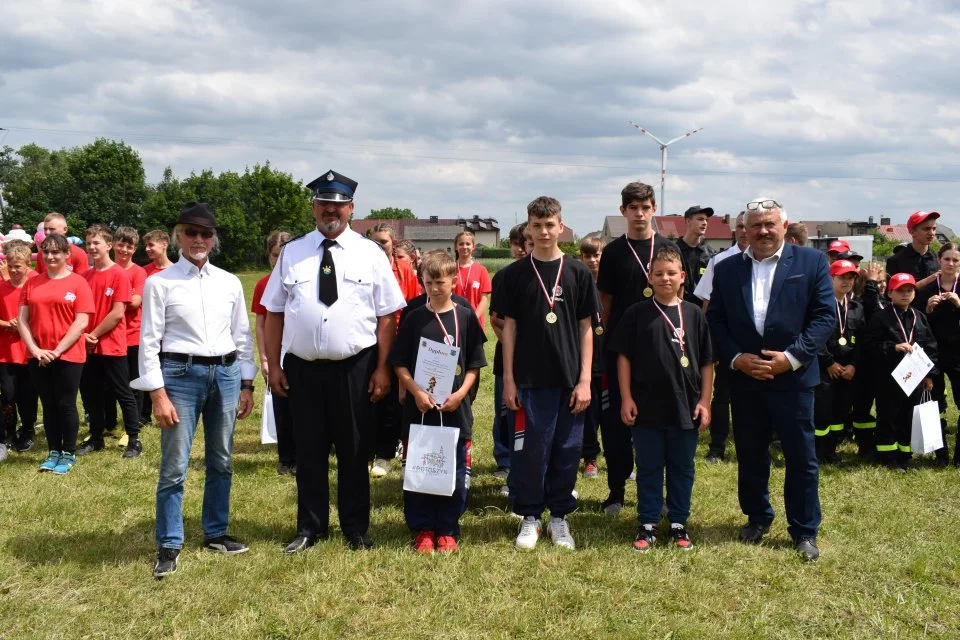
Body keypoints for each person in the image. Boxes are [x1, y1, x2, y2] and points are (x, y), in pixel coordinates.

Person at [263, 170, 406, 554]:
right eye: (325, 203)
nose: (332, 210)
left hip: (355, 367)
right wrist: (273, 366)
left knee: (355, 450)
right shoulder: (293, 253)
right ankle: (310, 527)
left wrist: (381, 368)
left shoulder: (370, 253)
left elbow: (388, 315)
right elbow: (273, 311)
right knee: (308, 450)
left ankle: (356, 527)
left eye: (339, 205)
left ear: (351, 208)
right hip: (303, 368)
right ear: (313, 207)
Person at [132, 202, 257, 579]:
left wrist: (247, 382)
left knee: (221, 460)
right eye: (191, 232)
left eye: (205, 233)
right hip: (179, 376)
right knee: (174, 467)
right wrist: (157, 393)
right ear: (178, 236)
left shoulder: (229, 281)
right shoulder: (159, 283)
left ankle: (215, 532)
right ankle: (169, 543)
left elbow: (242, 336)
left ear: (213, 239)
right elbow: (148, 342)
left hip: (226, 375)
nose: (198, 240)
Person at [707, 197, 834, 562]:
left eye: (770, 224)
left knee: (801, 458)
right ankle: (757, 518)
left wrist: (791, 358)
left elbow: (824, 317)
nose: (763, 231)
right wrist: (735, 358)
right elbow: (715, 320)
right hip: (746, 379)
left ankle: (804, 529)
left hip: (793, 380)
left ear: (783, 226)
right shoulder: (727, 268)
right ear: (744, 229)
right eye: (755, 225)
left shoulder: (811, 262)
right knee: (750, 453)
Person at [500, 196, 597, 551]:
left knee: (567, 449)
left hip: (569, 379)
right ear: (528, 228)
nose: (543, 231)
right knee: (529, 450)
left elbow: (586, 327)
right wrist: (509, 379)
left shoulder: (578, 272)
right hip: (528, 379)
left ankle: (559, 516)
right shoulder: (513, 275)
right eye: (536, 226)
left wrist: (585, 379)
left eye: (550, 225)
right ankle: (529, 516)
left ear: (561, 226)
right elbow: (508, 328)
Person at [610, 246, 712, 551]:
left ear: (682, 277)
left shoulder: (693, 314)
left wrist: (705, 401)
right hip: (647, 408)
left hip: (685, 407)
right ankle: (648, 522)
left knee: (682, 467)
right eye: (659, 273)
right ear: (649, 277)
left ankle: (679, 522)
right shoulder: (637, 313)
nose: (665, 278)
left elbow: (707, 361)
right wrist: (626, 397)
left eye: (671, 273)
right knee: (649, 466)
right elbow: (624, 358)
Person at [390, 251, 487, 554]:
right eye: (428, 282)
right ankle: (423, 529)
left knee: (454, 472)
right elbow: (400, 363)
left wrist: (460, 395)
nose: (434, 288)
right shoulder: (414, 316)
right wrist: (415, 391)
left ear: (454, 281)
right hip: (420, 409)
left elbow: (474, 364)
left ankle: (447, 528)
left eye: (440, 282)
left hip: (455, 409)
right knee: (419, 469)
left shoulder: (465, 315)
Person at [596, 182, 678, 517]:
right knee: (617, 424)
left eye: (646, 207)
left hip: (661, 351)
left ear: (654, 209)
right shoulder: (614, 252)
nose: (640, 214)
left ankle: (655, 494)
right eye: (633, 208)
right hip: (621, 351)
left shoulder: (669, 247)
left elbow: (678, 300)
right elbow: (605, 303)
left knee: (656, 424)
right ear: (624, 211)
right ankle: (615, 491)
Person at [18, 233, 94, 475]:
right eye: (46, 251)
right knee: (48, 405)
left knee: (66, 404)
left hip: (68, 355)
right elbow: (22, 321)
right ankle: (53, 451)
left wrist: (57, 350)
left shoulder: (78, 283)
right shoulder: (32, 282)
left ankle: (68, 453)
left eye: (56, 252)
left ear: (66, 255)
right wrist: (36, 350)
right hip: (38, 356)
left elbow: (81, 321)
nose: (50, 256)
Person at [75, 224, 141, 458]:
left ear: (109, 245)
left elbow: (117, 313)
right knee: (91, 393)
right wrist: (83, 336)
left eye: (97, 243)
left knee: (123, 392)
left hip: (111, 345)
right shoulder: (83, 276)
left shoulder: (119, 274)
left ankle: (134, 438)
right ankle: (96, 437)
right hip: (86, 346)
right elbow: (78, 311)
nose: (92, 247)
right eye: (88, 243)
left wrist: (94, 335)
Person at [864, 273, 937, 471]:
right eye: (900, 291)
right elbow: (870, 345)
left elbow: (930, 346)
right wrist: (893, 347)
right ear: (890, 293)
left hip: (914, 377)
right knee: (889, 416)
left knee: (908, 416)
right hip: (889, 377)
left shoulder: (919, 317)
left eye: (909, 290)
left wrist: (930, 374)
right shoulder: (880, 317)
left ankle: (905, 455)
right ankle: (888, 457)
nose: (905, 294)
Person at [368, 222, 421, 477]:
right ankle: (365, 448)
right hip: (367, 341)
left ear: (394, 244)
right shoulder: (362, 266)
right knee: (368, 396)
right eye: (374, 242)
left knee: (392, 401)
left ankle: (385, 453)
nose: (379, 246)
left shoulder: (405, 271)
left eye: (384, 242)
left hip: (397, 341)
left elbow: (412, 310)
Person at [694, 212, 747, 463]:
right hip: (726, 340)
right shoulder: (720, 261)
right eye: (741, 227)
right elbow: (706, 302)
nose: (745, 231)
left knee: (754, 396)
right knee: (722, 393)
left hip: (756, 342)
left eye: (749, 226)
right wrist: (707, 342)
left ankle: (754, 444)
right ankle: (717, 447)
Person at [251, 230, 296, 475]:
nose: (279, 261)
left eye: (283, 255)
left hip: (300, 351)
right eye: (274, 255)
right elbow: (261, 323)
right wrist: (265, 358)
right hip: (276, 353)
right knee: (282, 406)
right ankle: (286, 458)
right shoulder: (263, 284)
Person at [813, 259, 866, 464]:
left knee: (840, 413)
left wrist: (854, 365)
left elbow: (862, 340)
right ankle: (817, 453)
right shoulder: (819, 305)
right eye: (842, 277)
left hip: (848, 369)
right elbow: (814, 337)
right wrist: (828, 362)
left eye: (851, 277)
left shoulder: (856, 308)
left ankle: (831, 451)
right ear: (830, 278)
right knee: (822, 413)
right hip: (824, 368)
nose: (847, 281)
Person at [488, 223, 529, 484]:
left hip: (539, 361)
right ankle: (505, 460)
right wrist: (514, 350)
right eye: (516, 244)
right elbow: (496, 320)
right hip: (508, 358)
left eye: (525, 243)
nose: (521, 249)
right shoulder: (503, 276)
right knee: (505, 411)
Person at [917, 243, 960, 466]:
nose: (951, 264)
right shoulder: (927, 289)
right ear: (939, 261)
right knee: (934, 404)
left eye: (955, 260)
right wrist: (928, 309)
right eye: (947, 259)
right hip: (933, 354)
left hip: (958, 354)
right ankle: (940, 454)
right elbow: (916, 323)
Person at [0, 241, 38, 454]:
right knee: (8, 394)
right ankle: (9, 432)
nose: (14, 270)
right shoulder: (1, 288)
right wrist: (7, 324)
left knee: (28, 394)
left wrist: (25, 324)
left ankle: (28, 430)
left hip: (29, 350)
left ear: (27, 266)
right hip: (5, 351)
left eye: (18, 266)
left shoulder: (35, 285)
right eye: (10, 265)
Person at [110, 226, 149, 439]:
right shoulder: (106, 269)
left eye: (129, 246)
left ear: (134, 249)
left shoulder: (138, 272)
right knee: (111, 384)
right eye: (121, 244)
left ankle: (131, 425)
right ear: (113, 244)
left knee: (133, 383)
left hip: (132, 334)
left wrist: (112, 301)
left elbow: (135, 302)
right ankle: (109, 422)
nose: (124, 249)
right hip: (109, 336)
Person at [577, 236, 605, 479]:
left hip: (609, 355)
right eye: (588, 256)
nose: (593, 260)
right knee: (589, 412)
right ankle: (590, 458)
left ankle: (622, 457)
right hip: (586, 359)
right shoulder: (578, 284)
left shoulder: (610, 284)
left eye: (597, 255)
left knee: (611, 412)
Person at [885, 211, 941, 305]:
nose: (931, 233)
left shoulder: (938, 259)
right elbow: (890, 293)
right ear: (912, 231)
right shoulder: (896, 260)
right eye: (926, 229)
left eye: (934, 228)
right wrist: (928, 280)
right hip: (908, 315)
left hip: (935, 315)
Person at [675, 205, 716, 304]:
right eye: (700, 219)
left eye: (706, 220)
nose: (705, 223)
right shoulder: (673, 251)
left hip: (703, 310)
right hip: (678, 306)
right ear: (688, 221)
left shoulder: (711, 254)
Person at [453, 230, 492, 330]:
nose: (464, 247)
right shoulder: (449, 269)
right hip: (453, 319)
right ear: (455, 247)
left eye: (468, 244)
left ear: (473, 246)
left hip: (475, 322)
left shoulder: (481, 270)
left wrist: (473, 318)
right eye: (461, 244)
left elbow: (483, 300)